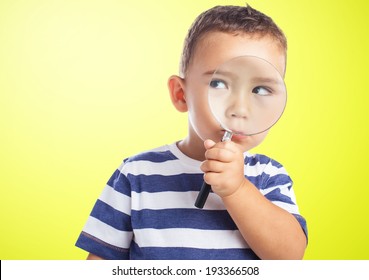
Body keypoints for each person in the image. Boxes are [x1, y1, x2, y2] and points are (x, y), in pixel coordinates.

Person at [75, 4, 308, 260]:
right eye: (219, 83)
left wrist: (238, 189)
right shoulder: (136, 174)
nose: (240, 108)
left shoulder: (268, 176)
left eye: (260, 89)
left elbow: (290, 257)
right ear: (180, 94)